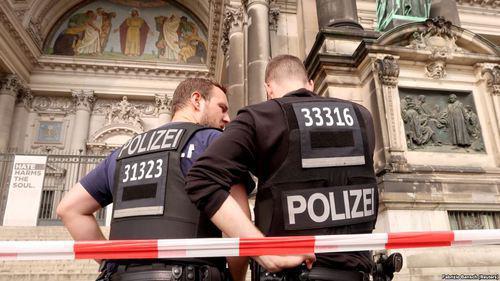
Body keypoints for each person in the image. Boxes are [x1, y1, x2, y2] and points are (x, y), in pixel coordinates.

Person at [186, 55, 379, 279]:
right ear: (311, 85)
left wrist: (263, 251)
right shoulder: (362, 116)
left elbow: (201, 177)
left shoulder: (261, 117)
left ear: (268, 89)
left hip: (290, 273)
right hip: (358, 273)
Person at [57, 78, 252, 281]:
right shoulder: (213, 141)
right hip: (191, 272)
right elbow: (238, 223)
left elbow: (69, 209)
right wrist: (236, 277)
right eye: (222, 108)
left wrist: (110, 260)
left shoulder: (123, 152)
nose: (227, 118)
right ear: (197, 100)